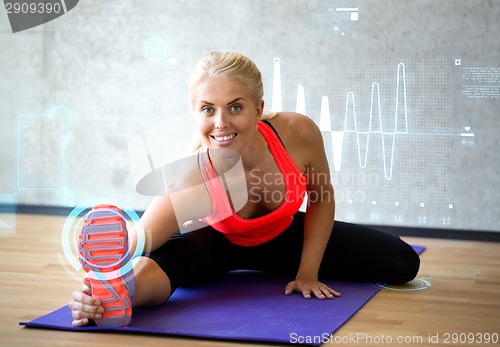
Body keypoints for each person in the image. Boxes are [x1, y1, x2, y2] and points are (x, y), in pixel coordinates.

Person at [69, 51, 420, 327]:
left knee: (402, 262)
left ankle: (117, 290)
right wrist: (95, 287)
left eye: (235, 107)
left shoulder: (298, 134)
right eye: (208, 110)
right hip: (212, 243)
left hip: (282, 239)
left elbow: (321, 198)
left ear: (258, 109)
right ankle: (115, 296)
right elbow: (143, 237)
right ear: (196, 113)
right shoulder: (192, 176)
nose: (221, 123)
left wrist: (307, 272)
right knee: (151, 265)